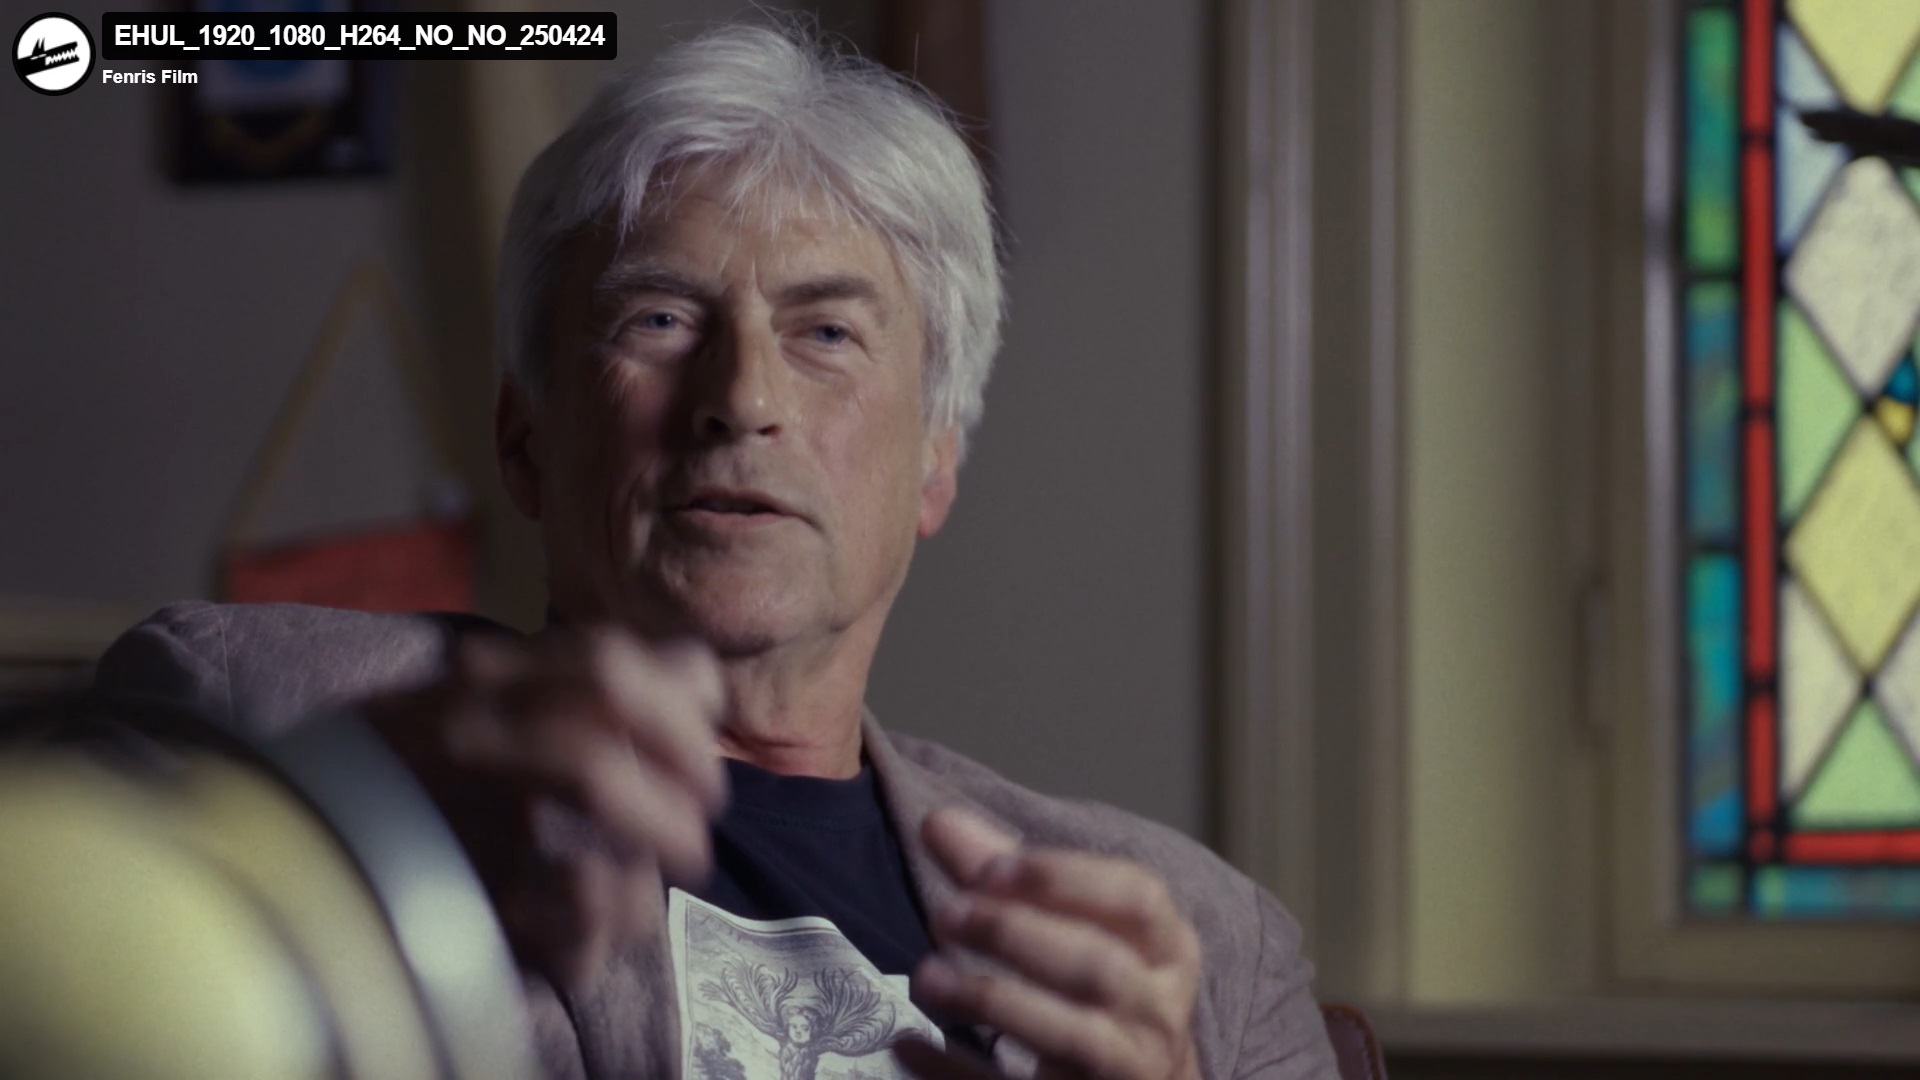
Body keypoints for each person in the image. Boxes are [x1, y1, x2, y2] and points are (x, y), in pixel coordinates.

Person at [95, 19, 1338, 1080]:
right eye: (659, 317)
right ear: (525, 441)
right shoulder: (271, 721)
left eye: (828, 334)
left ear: (935, 461)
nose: (741, 399)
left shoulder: (1205, 954)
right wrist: (349, 844)